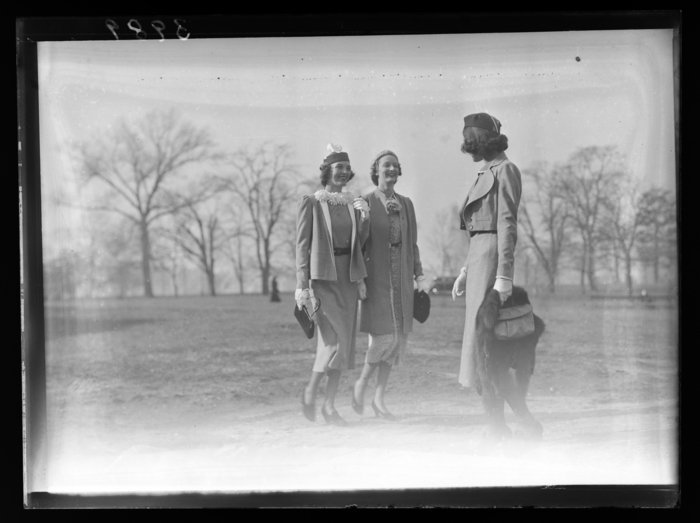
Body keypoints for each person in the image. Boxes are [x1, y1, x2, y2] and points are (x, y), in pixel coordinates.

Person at [352, 150, 431, 420]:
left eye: (395, 166)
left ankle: (379, 399)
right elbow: (358, 245)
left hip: (402, 280)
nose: (391, 169)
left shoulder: (406, 204)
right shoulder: (365, 201)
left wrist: (419, 276)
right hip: (377, 280)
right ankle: (362, 383)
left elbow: (413, 243)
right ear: (376, 170)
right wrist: (359, 279)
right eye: (386, 165)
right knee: (384, 337)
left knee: (398, 341)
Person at [296, 144, 370, 426]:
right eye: (339, 167)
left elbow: (359, 245)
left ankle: (328, 406)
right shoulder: (312, 203)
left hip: (347, 280)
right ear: (327, 171)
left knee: (345, 346)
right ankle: (310, 391)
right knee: (332, 342)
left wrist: (364, 219)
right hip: (323, 281)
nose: (344, 172)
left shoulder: (352, 204)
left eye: (347, 168)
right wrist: (302, 285)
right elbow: (302, 247)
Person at [451, 112, 522, 392]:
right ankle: (487, 394)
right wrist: (465, 271)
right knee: (477, 330)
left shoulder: (506, 170)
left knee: (487, 333)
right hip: (480, 255)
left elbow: (506, 224)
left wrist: (504, 275)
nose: (470, 151)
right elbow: (476, 233)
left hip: (493, 256)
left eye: (472, 144)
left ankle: (496, 398)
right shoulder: (487, 171)